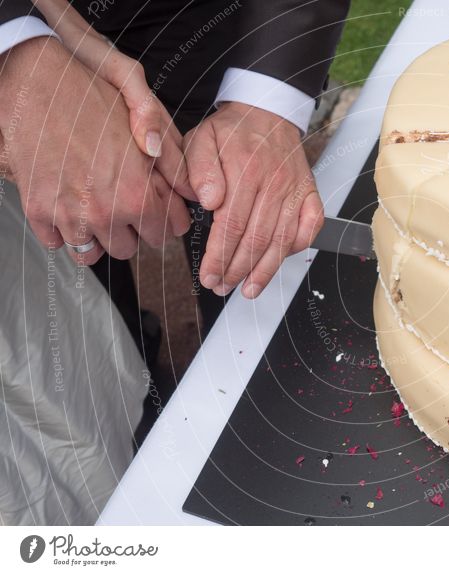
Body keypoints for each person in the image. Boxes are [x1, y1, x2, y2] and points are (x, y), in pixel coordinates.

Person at [0, 0, 350, 525]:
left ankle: (240, 405)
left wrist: (266, 102)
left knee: (235, 219)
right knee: (75, 281)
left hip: (201, 25)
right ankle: (139, 375)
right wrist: (14, 48)